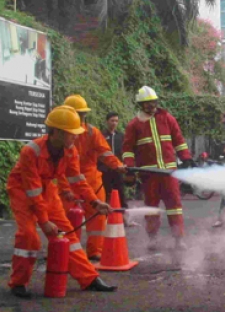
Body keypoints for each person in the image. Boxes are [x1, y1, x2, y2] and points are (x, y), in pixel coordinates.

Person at [6, 105, 117, 298]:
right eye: (72, 133)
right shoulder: (30, 151)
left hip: (46, 188)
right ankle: (18, 283)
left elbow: (77, 180)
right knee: (28, 236)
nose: (76, 136)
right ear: (56, 132)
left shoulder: (70, 151)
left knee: (67, 237)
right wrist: (44, 221)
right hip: (22, 191)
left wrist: (94, 202)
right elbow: (32, 190)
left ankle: (89, 279)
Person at [121, 86, 194, 249]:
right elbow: (127, 149)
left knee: (174, 206)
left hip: (169, 173)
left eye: (153, 102)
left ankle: (178, 239)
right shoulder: (134, 125)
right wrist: (130, 168)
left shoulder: (168, 119)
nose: (151, 106)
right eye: (147, 103)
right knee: (151, 208)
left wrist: (186, 158)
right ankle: (153, 239)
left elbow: (179, 141)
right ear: (141, 105)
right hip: (149, 175)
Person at [61, 95, 127, 261]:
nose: (80, 117)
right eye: (78, 113)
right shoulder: (60, 134)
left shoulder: (91, 132)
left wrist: (117, 165)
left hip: (91, 181)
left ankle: (94, 251)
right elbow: (57, 166)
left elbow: (105, 153)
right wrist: (64, 187)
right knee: (66, 218)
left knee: (97, 217)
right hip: (69, 181)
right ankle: (67, 250)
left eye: (81, 114)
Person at [100, 111, 137, 227]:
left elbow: (125, 152)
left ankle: (125, 220)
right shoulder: (101, 136)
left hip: (118, 170)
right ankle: (104, 220)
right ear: (107, 121)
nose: (114, 123)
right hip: (104, 171)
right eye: (112, 120)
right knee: (105, 195)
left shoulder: (121, 136)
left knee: (121, 194)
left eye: (116, 121)